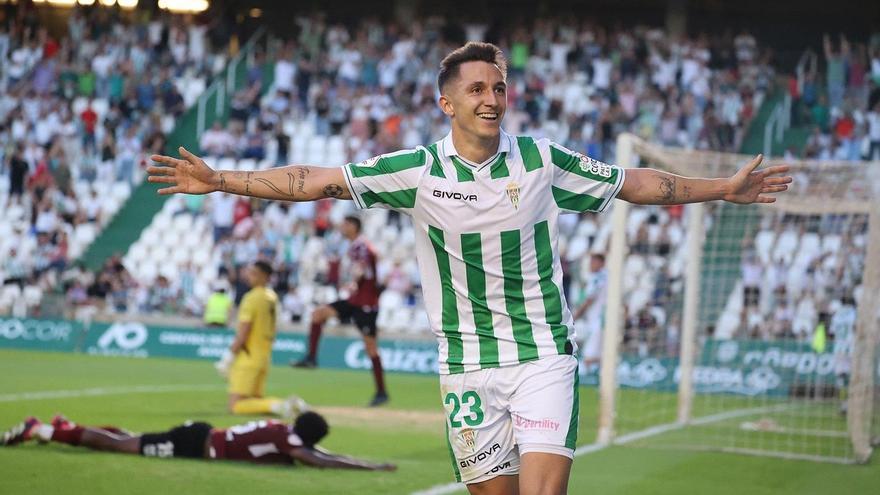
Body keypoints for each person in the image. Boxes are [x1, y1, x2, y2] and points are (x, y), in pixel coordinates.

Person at [147, 41, 791, 495]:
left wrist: (721, 189)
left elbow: (637, 184)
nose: (492, 98)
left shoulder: (541, 160)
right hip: (465, 365)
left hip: (542, 356)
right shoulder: (417, 170)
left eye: (499, 88)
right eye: (477, 89)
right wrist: (222, 179)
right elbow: (314, 180)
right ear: (446, 104)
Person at [1, 412, 395, 471]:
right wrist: (368, 466)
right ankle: (44, 430)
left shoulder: (284, 431)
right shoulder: (292, 443)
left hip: (202, 436)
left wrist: (363, 462)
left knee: (135, 440)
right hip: (195, 444)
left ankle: (65, 425)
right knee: (119, 447)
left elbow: (317, 452)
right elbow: (318, 460)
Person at [292, 215, 388, 407]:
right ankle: (311, 358)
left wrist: (356, 280)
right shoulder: (354, 246)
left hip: (366, 304)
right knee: (318, 315)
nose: (342, 228)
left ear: (354, 226)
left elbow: (367, 264)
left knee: (371, 349)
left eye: (346, 224)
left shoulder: (361, 246)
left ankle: (381, 392)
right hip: (354, 300)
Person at [214, 261, 297, 417]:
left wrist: (229, 355)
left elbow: (244, 332)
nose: (249, 276)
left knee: (235, 405)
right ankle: (292, 406)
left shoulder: (252, 298)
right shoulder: (272, 297)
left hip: (248, 356)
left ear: (265, 276)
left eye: (254, 273)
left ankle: (280, 404)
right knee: (255, 400)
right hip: (264, 356)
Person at [571, 253, 608, 371]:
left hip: (598, 320)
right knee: (597, 353)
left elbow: (588, 301)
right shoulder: (605, 276)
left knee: (589, 356)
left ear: (601, 263)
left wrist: (574, 317)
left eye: (594, 262)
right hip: (598, 320)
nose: (591, 265)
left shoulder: (598, 278)